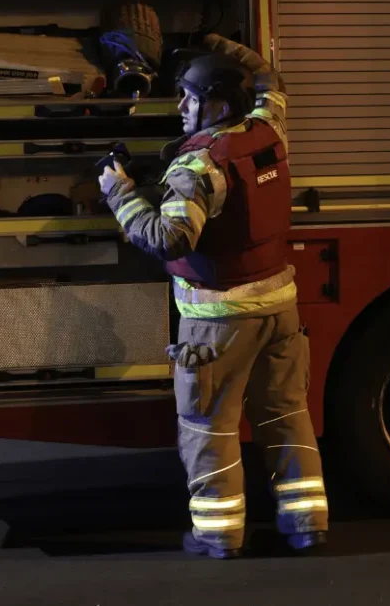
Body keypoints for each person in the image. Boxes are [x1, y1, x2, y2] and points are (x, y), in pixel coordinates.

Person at [98, 35, 327, 559]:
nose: (180, 107)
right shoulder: (269, 130)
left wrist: (120, 192)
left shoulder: (197, 169)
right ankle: (307, 522)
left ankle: (218, 533)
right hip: (281, 311)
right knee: (287, 416)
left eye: (190, 97)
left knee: (209, 427)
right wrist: (219, 47)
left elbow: (168, 239)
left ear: (219, 106)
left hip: (220, 322)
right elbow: (272, 80)